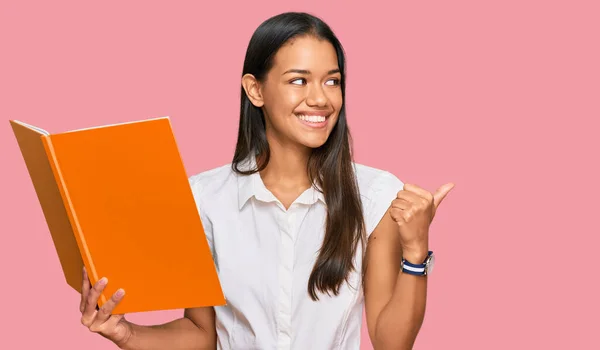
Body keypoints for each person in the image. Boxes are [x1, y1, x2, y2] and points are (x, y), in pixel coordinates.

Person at [78, 11, 454, 350]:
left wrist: (415, 253)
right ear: (255, 90)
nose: (320, 99)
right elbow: (201, 334)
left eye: (332, 81)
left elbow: (392, 342)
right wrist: (125, 333)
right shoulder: (204, 198)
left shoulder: (375, 195)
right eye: (298, 80)